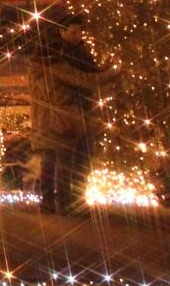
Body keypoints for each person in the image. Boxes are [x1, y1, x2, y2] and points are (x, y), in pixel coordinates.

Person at [29, 16, 118, 215]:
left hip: (47, 121)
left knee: (51, 163)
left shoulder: (38, 66)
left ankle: (49, 203)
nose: (78, 36)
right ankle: (65, 204)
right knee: (66, 163)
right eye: (74, 32)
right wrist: (113, 72)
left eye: (80, 32)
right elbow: (85, 80)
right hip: (62, 120)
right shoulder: (56, 66)